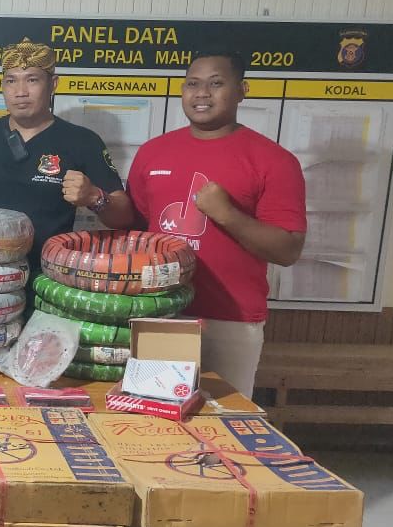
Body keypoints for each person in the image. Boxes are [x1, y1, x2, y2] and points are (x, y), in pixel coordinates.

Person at [127, 52, 306, 397]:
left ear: (242, 91)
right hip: (160, 312)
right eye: (192, 84)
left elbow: (288, 250)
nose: (201, 93)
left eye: (216, 84)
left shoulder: (274, 160)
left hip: (230, 320)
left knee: (226, 420)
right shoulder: (152, 152)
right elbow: (135, 228)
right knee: (155, 414)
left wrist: (226, 214)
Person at [0, 38, 134, 274]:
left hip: (49, 275)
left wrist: (94, 196)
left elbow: (124, 216)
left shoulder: (82, 141)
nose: (20, 92)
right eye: (11, 81)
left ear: (53, 84)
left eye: (32, 80)